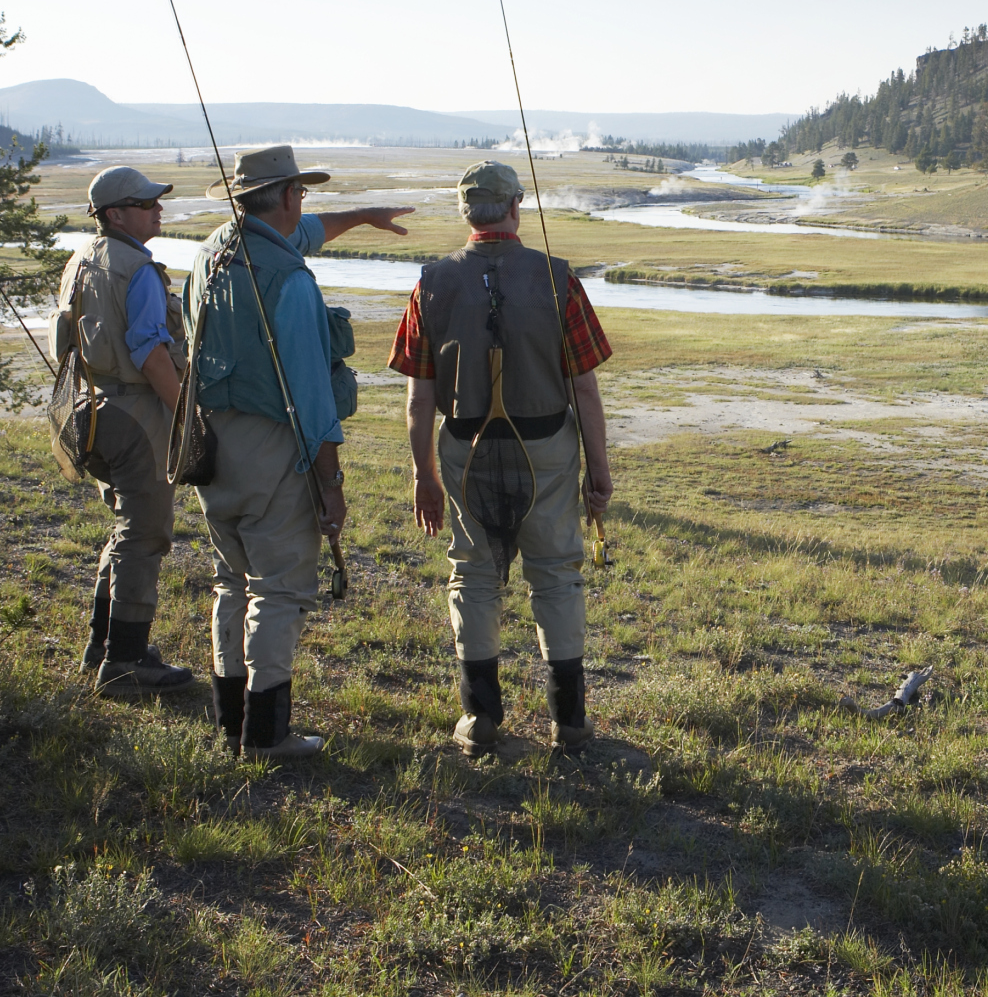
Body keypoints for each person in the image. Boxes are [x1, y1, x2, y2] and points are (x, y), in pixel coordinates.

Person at [186, 145, 412, 759]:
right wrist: (330, 485)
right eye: (300, 193)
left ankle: (230, 720)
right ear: (287, 196)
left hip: (212, 444)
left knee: (231, 581)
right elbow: (312, 399)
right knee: (279, 589)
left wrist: (364, 216)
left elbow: (307, 233)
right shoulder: (288, 281)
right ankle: (266, 735)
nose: (304, 205)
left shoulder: (211, 254)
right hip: (272, 448)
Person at [390, 160, 615, 756]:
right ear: (515, 207)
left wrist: (424, 475)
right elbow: (585, 387)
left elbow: (419, 396)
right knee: (557, 575)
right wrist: (600, 469)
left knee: (474, 574)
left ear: (467, 212)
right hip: (547, 448)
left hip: (464, 447)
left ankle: (480, 717)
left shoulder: (431, 282)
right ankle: (569, 723)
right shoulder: (558, 278)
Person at [58, 166, 194, 692]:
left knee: (124, 530)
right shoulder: (136, 269)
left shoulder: (81, 260)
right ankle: (126, 662)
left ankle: (105, 644)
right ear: (116, 214)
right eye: (146, 203)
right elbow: (150, 353)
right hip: (136, 418)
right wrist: (186, 416)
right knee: (145, 534)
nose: (158, 209)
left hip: (89, 411)